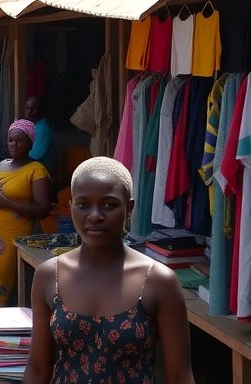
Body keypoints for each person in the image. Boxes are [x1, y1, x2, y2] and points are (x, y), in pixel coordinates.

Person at [22, 157, 193, 384]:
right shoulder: (48, 275)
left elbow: (180, 377)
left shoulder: (158, 281)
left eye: (109, 205)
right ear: (70, 205)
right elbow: (37, 369)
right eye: (83, 204)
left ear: (129, 208)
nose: (95, 215)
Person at [0, 119, 51, 304]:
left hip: (12, 236)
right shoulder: (1, 165)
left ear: (30, 143)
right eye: (10, 140)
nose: (14, 144)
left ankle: (1, 317)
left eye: (19, 141)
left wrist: (6, 203)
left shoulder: (36, 170)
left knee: (3, 279)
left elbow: (42, 208)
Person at [25, 96, 55, 179]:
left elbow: (34, 156)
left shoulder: (43, 127)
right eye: (27, 107)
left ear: (41, 111)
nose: (29, 111)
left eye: (34, 109)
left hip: (43, 172)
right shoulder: (34, 124)